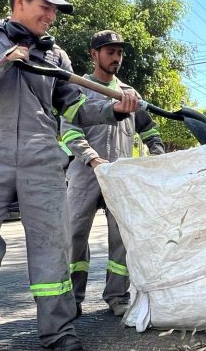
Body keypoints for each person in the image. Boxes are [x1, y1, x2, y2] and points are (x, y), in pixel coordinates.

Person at [0, 0, 138, 351]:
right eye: (45, 8)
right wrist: (0, 60)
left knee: (52, 244)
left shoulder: (55, 55)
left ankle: (57, 330)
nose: (51, 17)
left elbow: (74, 107)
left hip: (42, 158)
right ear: (20, 2)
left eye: (54, 12)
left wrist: (112, 110)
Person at [61, 30, 166, 318]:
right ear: (94, 54)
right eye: (110, 52)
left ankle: (117, 296)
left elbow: (148, 127)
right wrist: (92, 158)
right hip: (85, 175)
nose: (116, 57)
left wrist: (156, 151)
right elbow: (68, 129)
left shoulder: (130, 94)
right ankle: (73, 297)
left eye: (119, 52)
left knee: (121, 240)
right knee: (74, 236)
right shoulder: (78, 90)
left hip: (120, 177)